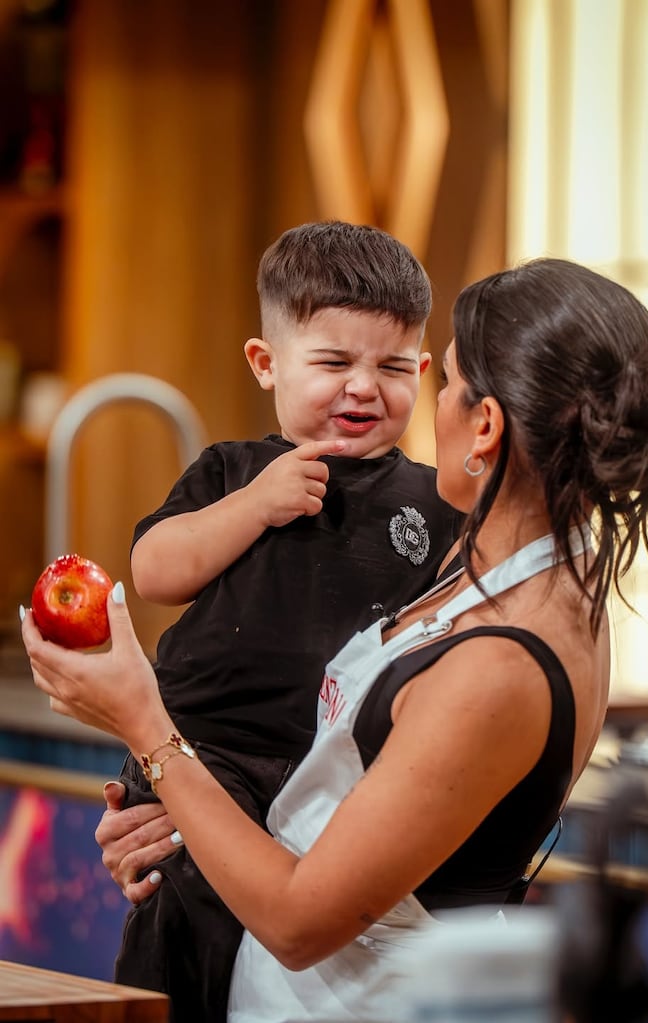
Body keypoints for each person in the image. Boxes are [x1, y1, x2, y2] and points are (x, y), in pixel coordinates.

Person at [22, 257, 648, 1023]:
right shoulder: (493, 568)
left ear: (484, 424)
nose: (422, 402)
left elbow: (301, 920)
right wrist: (176, 816)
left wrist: (146, 725)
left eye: (439, 379)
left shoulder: (502, 663)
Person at [103, 221, 461, 1021]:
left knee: (287, 944)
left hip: (338, 768)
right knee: (186, 922)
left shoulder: (436, 502)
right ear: (267, 364)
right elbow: (155, 570)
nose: (363, 387)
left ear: (425, 371)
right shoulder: (233, 470)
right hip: (211, 752)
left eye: (392, 366)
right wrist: (250, 507)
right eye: (333, 362)